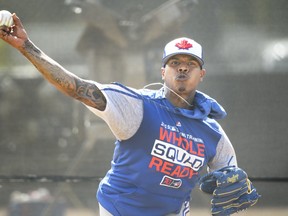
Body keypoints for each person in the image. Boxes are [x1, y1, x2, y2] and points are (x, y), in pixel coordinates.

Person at [1, 14, 238, 216]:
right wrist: (26, 47)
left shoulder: (213, 133)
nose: (183, 67)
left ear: (202, 74)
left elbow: (229, 186)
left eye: (191, 63)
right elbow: (75, 87)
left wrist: (228, 190)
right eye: (175, 62)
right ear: (163, 72)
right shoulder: (136, 105)